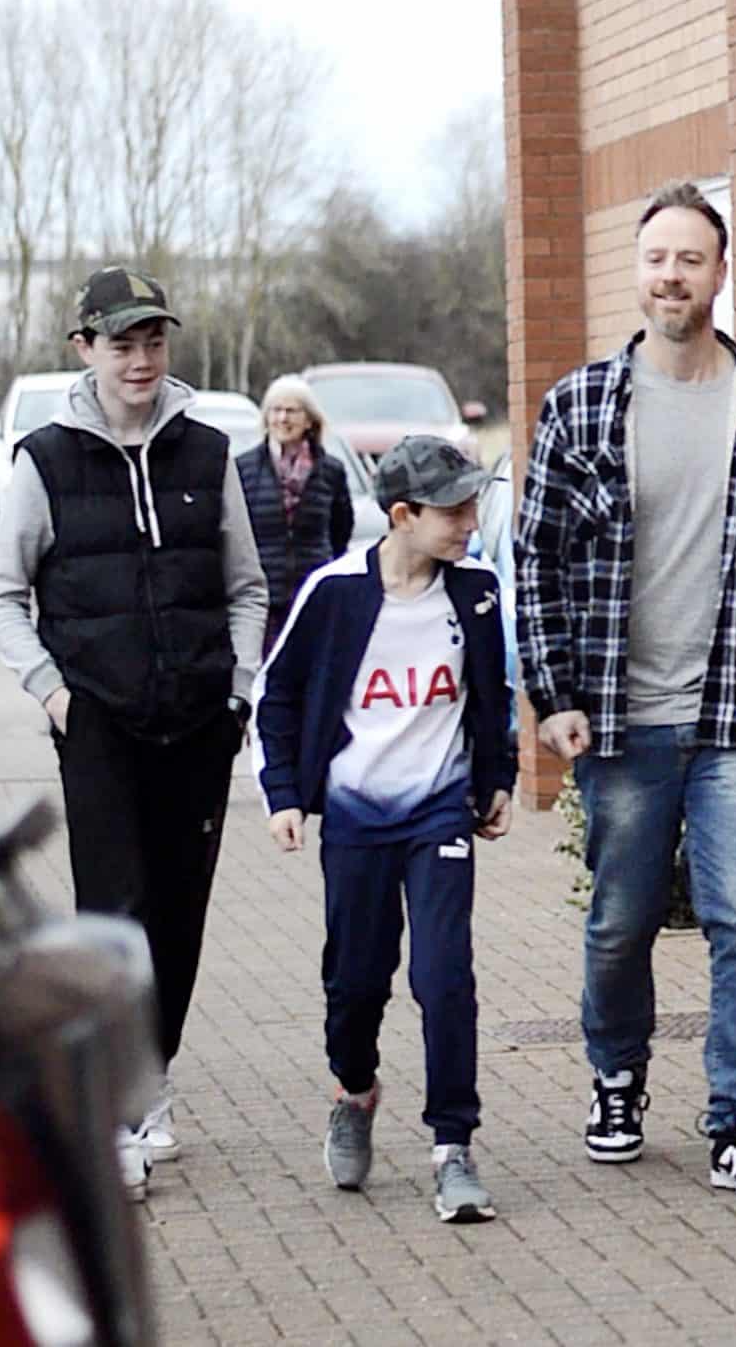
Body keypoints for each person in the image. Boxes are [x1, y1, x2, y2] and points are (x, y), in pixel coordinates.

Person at [514, 179, 736, 1197]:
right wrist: (553, 692)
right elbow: (533, 560)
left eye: (691, 259)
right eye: (657, 257)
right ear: (638, 269)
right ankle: (617, 1078)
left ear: (721, 273)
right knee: (619, 920)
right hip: (619, 720)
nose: (672, 276)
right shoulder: (578, 403)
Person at [0, 265, 270, 1199]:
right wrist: (57, 695)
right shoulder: (46, 457)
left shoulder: (207, 451)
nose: (140, 358)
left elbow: (246, 586)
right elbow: (2, 594)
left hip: (198, 719)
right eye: (121, 341)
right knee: (116, 910)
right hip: (97, 719)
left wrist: (239, 688)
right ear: (85, 349)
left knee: (177, 917)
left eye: (153, 340)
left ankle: (151, 1075)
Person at [254, 435, 517, 1225]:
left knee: (444, 976)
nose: (471, 521)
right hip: (356, 816)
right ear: (402, 516)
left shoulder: (475, 591)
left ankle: (452, 1147)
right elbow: (279, 697)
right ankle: (355, 1088)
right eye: (455, 509)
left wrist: (496, 778)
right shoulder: (334, 592)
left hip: (439, 812)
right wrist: (283, 795)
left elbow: (490, 694)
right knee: (357, 979)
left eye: (475, 505)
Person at [236, 374, 355, 652]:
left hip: (314, 593)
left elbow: (341, 530)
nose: (282, 418)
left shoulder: (330, 471)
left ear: (309, 419)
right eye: (275, 410)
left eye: (291, 411)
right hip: (263, 600)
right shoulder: (243, 469)